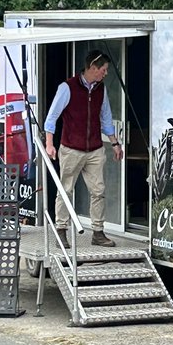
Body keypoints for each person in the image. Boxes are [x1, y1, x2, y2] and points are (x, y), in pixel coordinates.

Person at [43, 50, 124, 247]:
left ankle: (98, 232)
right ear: (93, 68)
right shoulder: (67, 87)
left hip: (95, 148)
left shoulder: (100, 89)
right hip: (71, 148)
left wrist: (114, 143)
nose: (105, 73)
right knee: (65, 190)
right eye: (103, 70)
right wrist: (49, 144)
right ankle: (61, 231)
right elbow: (51, 117)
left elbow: (105, 118)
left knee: (98, 191)